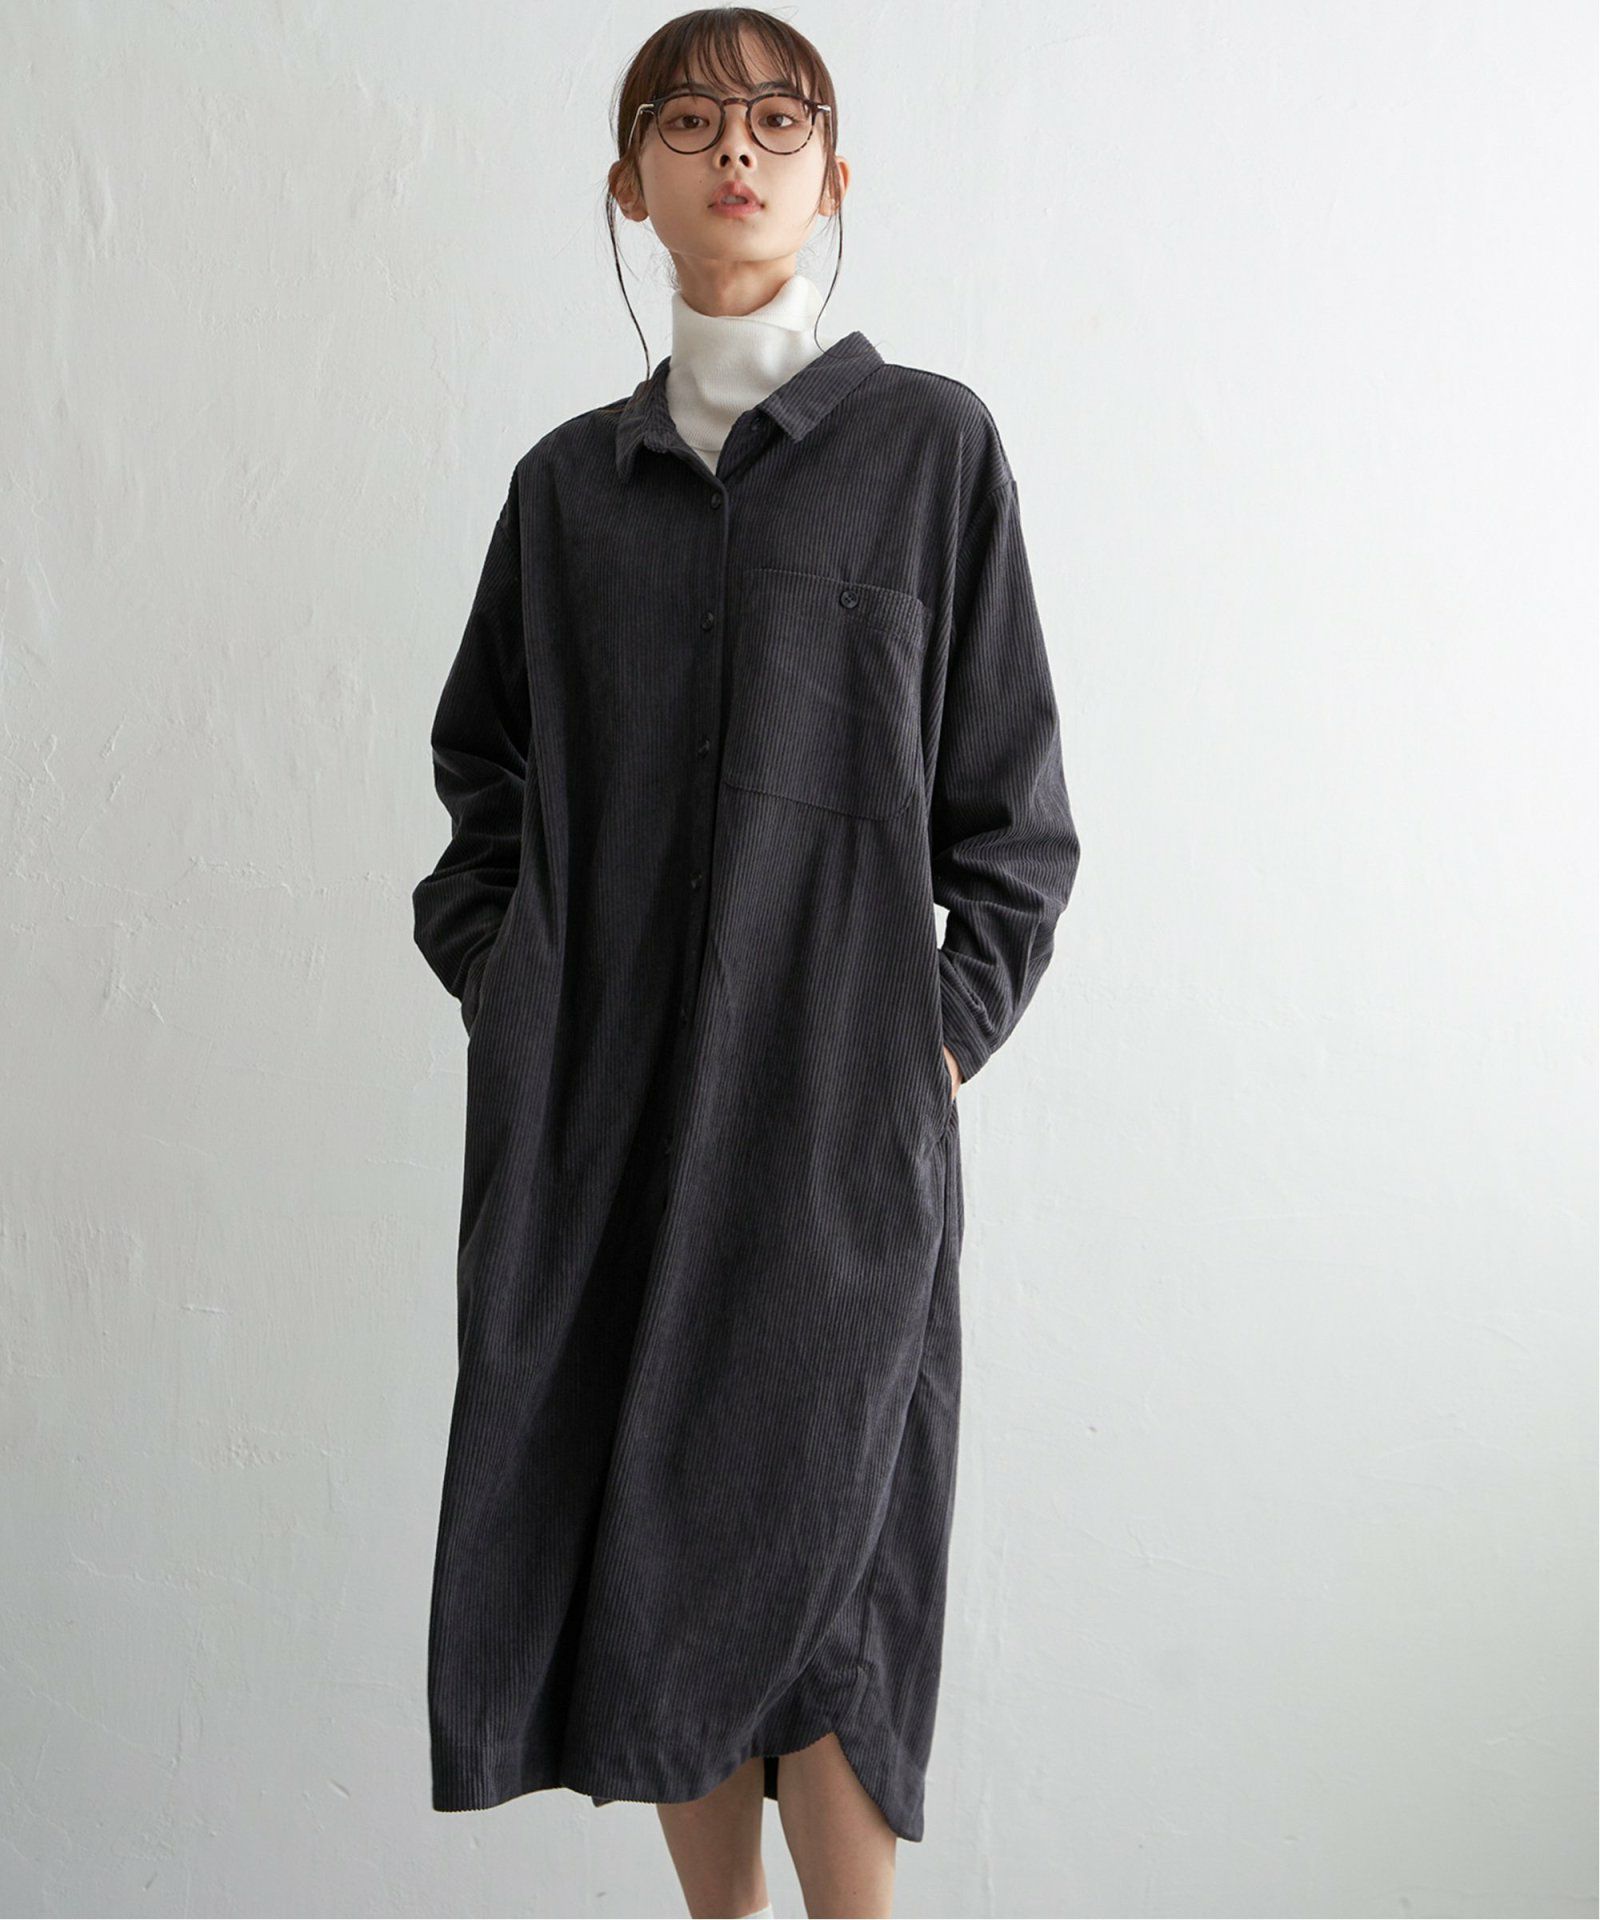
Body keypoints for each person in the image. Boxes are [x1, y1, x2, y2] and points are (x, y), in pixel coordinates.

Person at [410, 10, 1081, 1916]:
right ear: (629, 183)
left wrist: (927, 1044)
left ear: (834, 176)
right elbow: (481, 783)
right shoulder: (567, 492)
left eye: (779, 120)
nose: (736, 150)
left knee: (846, 1563)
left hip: (835, 1127)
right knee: (650, 1535)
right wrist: (514, 989)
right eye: (690, 120)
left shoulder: (929, 450)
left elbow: (1015, 824)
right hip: (607, 1126)